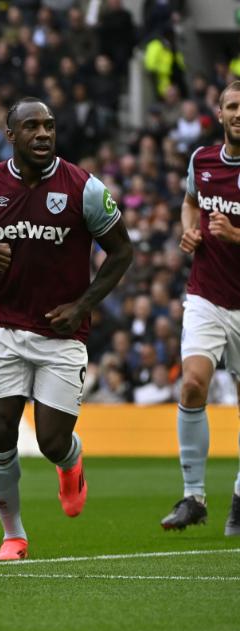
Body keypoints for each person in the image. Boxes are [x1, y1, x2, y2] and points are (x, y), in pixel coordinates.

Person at [0, 97, 133, 561]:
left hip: (62, 333)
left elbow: (122, 252)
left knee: (50, 441)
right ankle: (14, 536)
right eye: (31, 127)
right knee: (1, 431)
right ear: (11, 135)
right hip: (4, 326)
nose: (43, 134)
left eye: (49, 125)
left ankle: (71, 461)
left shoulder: (83, 188)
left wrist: (82, 305)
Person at [160, 81, 240, 537]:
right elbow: (190, 205)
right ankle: (194, 497)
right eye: (231, 107)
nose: (238, 114)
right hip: (207, 295)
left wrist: (235, 236)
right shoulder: (202, 161)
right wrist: (188, 232)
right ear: (221, 113)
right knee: (192, 384)